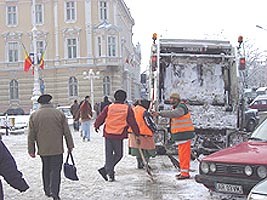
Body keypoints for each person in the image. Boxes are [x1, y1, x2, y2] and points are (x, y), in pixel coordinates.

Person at [28, 94, 75, 200]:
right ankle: (55, 192)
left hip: (43, 149)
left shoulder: (34, 115)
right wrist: (70, 145)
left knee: (46, 168)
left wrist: (31, 150)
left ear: (40, 103)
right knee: (55, 170)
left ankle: (47, 190)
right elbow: (66, 132)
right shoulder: (59, 114)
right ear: (50, 102)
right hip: (57, 148)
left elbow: (31, 135)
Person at [94, 89, 140, 182]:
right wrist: (137, 133)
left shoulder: (109, 107)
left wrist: (97, 125)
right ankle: (107, 171)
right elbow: (132, 122)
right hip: (118, 134)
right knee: (118, 155)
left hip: (108, 133)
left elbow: (101, 117)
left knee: (109, 155)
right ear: (124, 98)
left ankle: (108, 171)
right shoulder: (127, 109)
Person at [151, 93, 195, 180]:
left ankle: (185, 173)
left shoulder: (181, 107)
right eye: (170, 99)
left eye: (172, 99)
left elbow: (174, 114)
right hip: (182, 135)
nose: (170, 100)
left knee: (184, 155)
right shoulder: (178, 107)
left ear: (177, 99)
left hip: (184, 134)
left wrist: (159, 113)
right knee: (182, 155)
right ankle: (183, 172)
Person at [128, 99, 158, 169]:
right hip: (145, 134)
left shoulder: (133, 109)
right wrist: (155, 130)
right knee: (147, 151)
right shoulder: (144, 112)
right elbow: (149, 123)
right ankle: (145, 163)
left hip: (133, 134)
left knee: (139, 150)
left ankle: (139, 162)